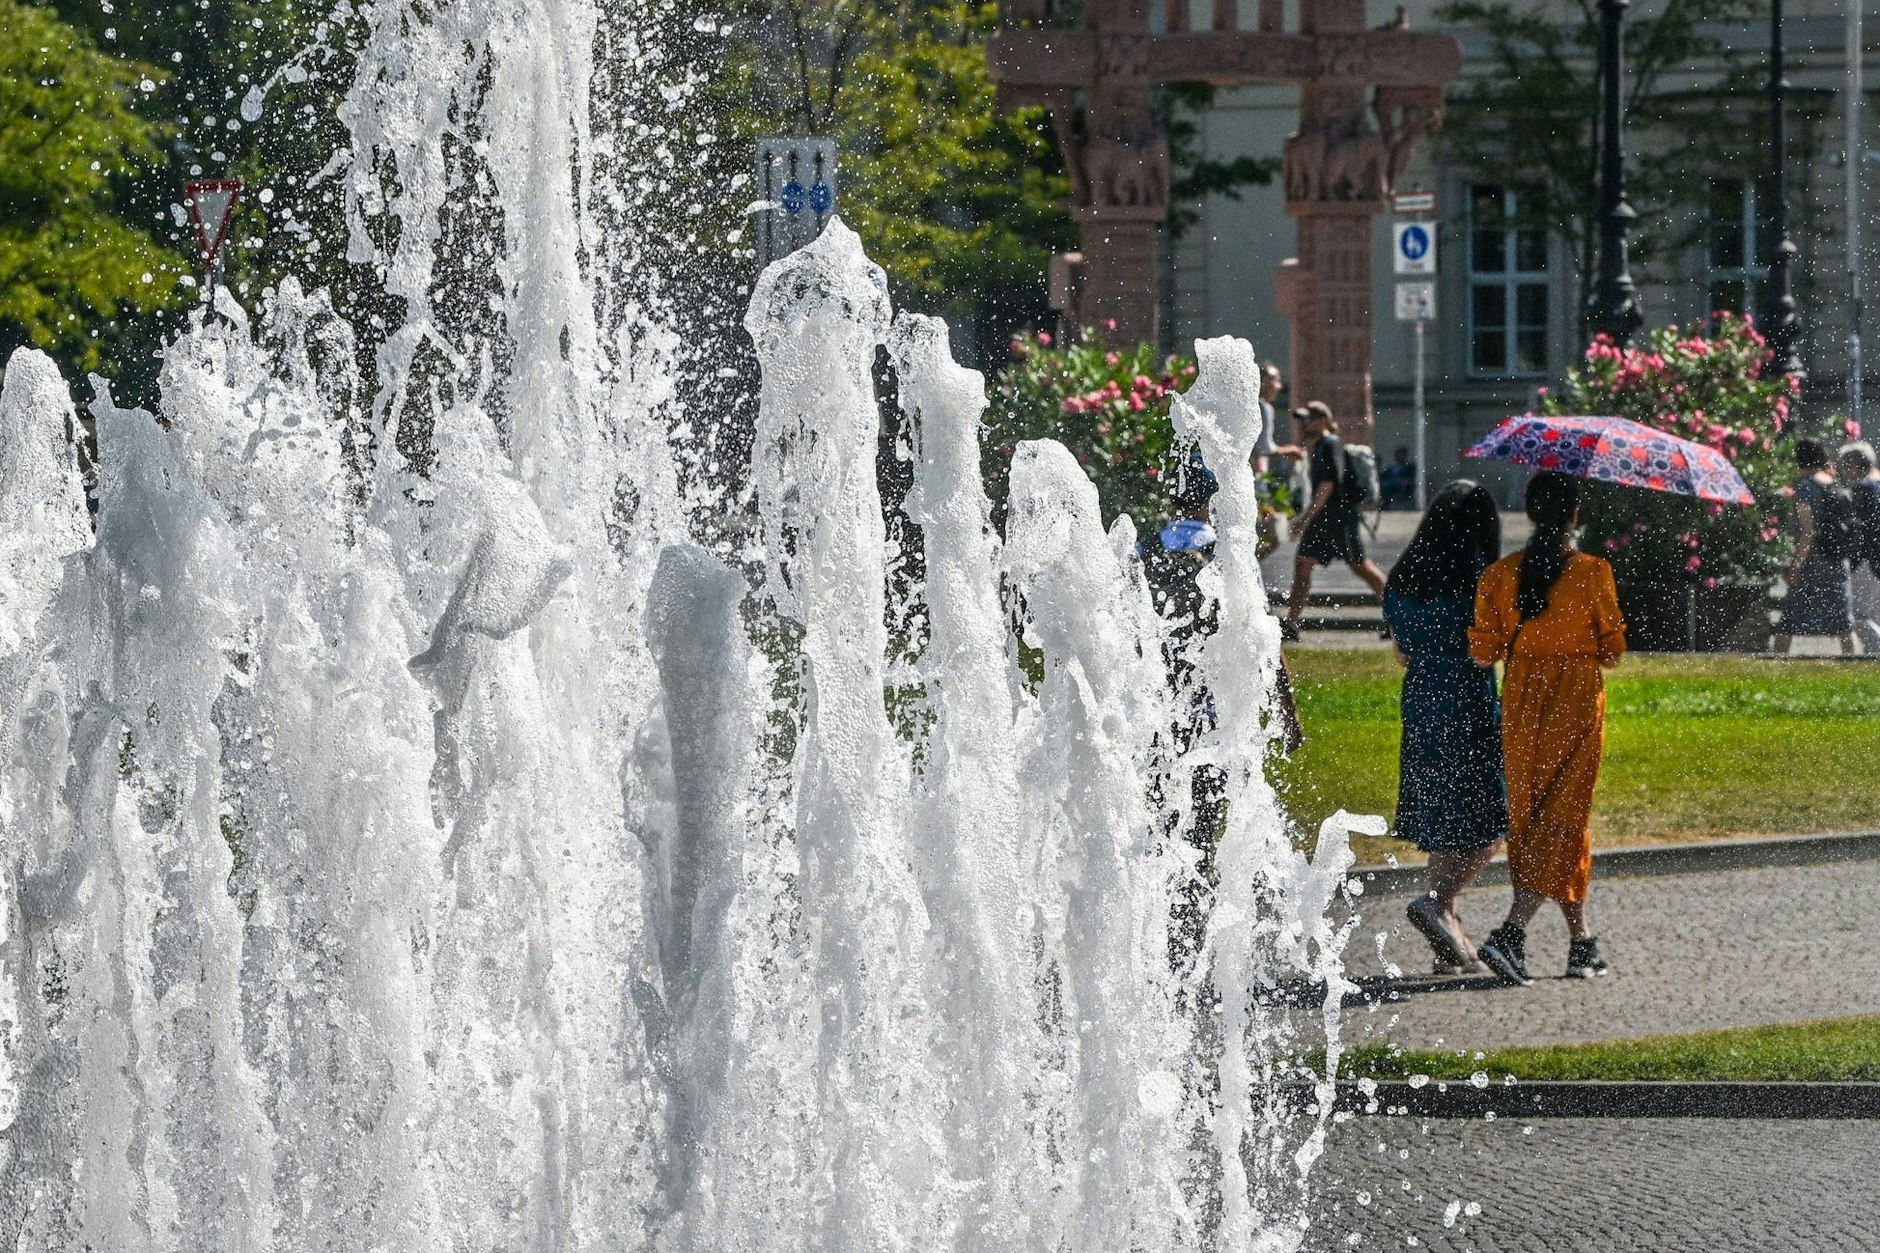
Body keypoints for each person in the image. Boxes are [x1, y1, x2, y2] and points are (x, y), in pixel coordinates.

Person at [1468, 471, 1626, 985]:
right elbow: (1613, 651)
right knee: (1564, 816)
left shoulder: (1499, 575)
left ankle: (1582, 943)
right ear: (1574, 516)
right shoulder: (1593, 571)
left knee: (1536, 817)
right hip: (1576, 698)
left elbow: (1482, 650)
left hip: (1521, 701)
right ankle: (1511, 934)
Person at [1384, 481, 1507, 975]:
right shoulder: (1480, 581)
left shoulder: (1401, 579)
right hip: (1469, 701)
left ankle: (1449, 936)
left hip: (1421, 703)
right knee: (1490, 820)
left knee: (1443, 821)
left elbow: (1401, 652)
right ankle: (1439, 902)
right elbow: (1485, 650)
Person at [1281, 401, 1387, 641]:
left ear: (1323, 421)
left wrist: (1305, 518)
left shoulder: (1330, 446)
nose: (1304, 424)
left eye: (1309, 419)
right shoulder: (1318, 446)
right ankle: (1291, 623)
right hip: (1323, 519)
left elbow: (1327, 485)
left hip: (1339, 518)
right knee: (1302, 565)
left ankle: (1398, 617)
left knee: (1362, 567)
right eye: (1303, 420)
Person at [1774, 438, 1857, 655]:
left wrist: (1796, 566)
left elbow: (1807, 533)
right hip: (1837, 561)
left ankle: (1775, 666)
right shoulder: (1833, 483)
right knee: (1843, 622)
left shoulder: (1805, 488)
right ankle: (1855, 664)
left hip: (1814, 563)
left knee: (1789, 619)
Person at [1837, 441, 1880, 654]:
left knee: (1857, 614)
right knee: (1875, 615)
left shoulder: (1863, 488)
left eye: (1846, 466)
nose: (1844, 471)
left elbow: (1857, 529)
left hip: (1866, 561)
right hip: (1875, 561)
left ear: (1855, 464)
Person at [1378, 445, 1419, 511]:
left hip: (1401, 487)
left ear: (1405, 455)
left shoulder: (1410, 467)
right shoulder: (1391, 468)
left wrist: (1401, 480)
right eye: (1397, 454)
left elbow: (1412, 479)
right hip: (1388, 486)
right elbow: (1383, 477)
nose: (1398, 456)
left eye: (1400, 454)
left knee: (1389, 486)